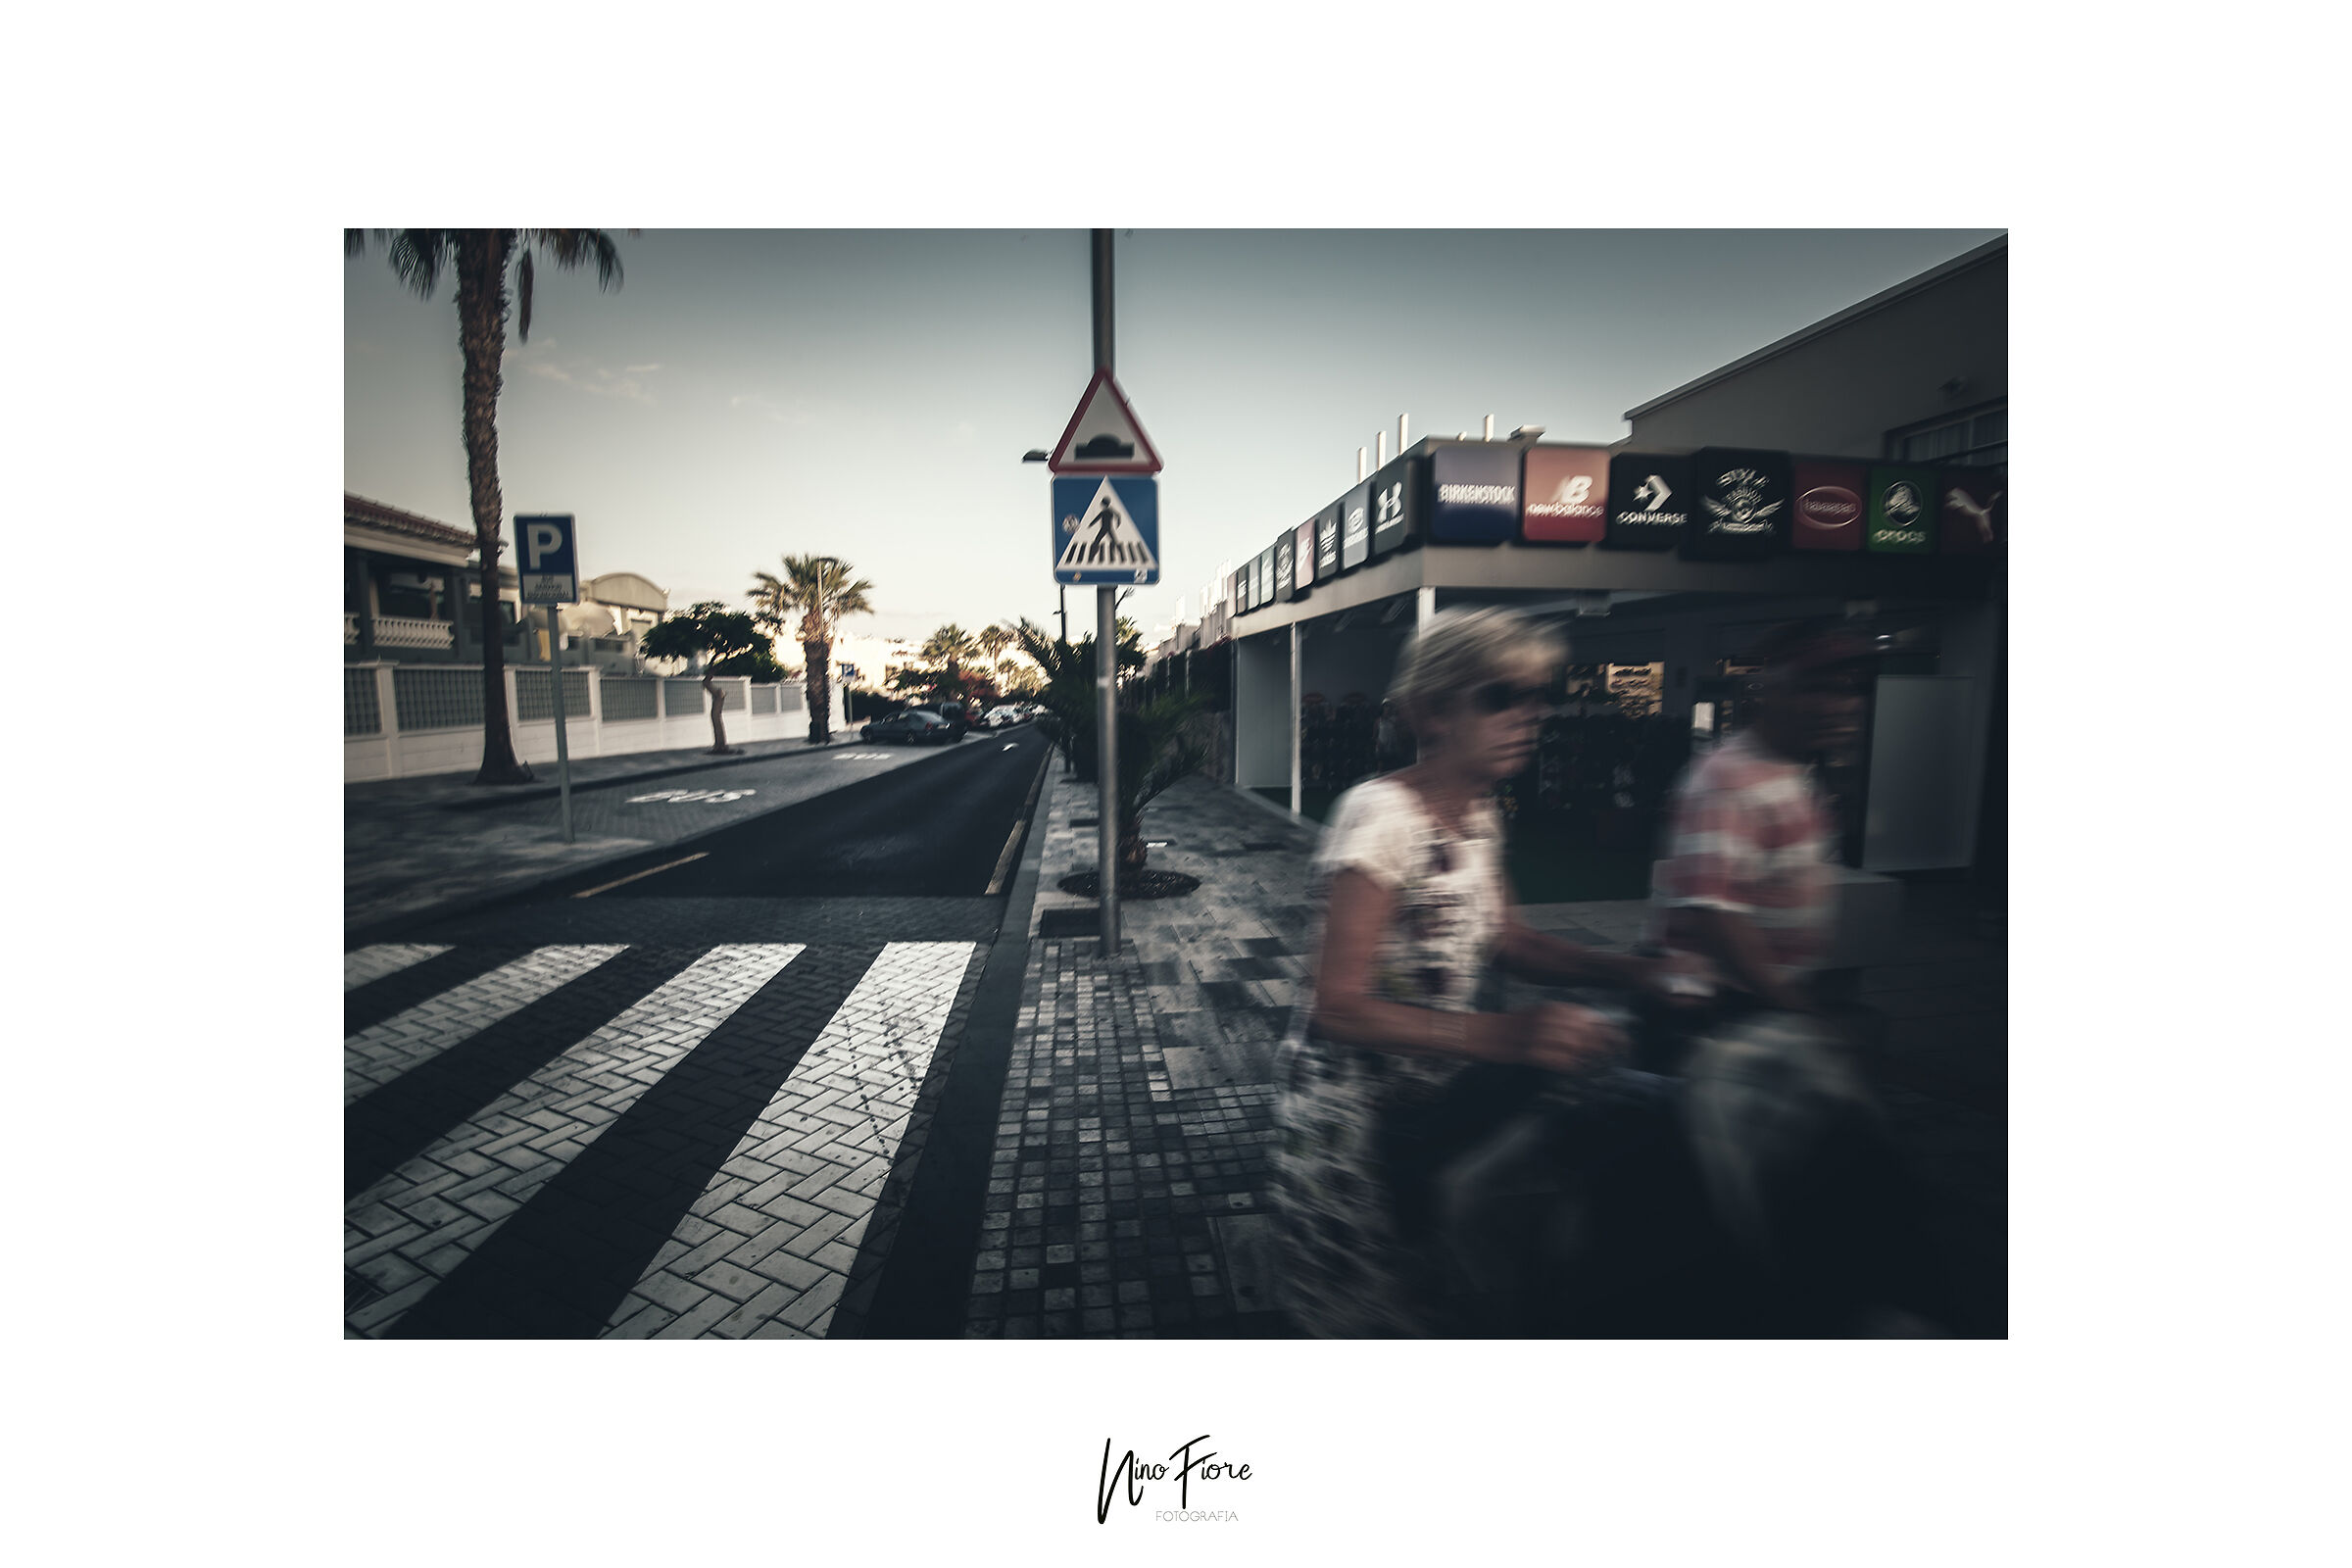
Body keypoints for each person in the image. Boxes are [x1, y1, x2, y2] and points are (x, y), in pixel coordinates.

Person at [1271, 609, 1707, 1337]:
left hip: (1436, 1095)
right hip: (1355, 1123)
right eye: (1500, 696)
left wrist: (1637, 973)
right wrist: (1512, 1035)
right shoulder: (1380, 816)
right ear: (1433, 711)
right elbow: (1338, 1006)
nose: (1531, 715)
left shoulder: (1478, 813)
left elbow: (1510, 940)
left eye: (1540, 695)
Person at [1651, 619, 1946, 1332]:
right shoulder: (1728, 781)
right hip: (1717, 1016)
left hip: (1762, 1010)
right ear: (1769, 692)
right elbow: (1717, 916)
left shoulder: (1792, 774)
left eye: (1850, 688)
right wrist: (1796, 1007)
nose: (1842, 703)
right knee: (1739, 1193)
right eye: (1819, 686)